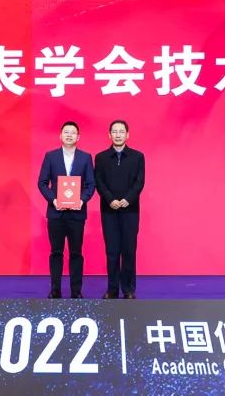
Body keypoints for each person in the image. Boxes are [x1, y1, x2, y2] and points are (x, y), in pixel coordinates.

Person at [37, 121, 95, 298]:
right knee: (56, 252)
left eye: (73, 133)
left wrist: (82, 201)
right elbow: (42, 183)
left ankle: (76, 291)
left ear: (78, 137)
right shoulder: (51, 156)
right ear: (60, 135)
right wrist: (53, 200)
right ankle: (55, 289)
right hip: (56, 212)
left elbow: (91, 184)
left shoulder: (85, 157)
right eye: (66, 132)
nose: (69, 135)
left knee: (76, 253)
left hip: (77, 213)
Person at [94, 120, 145, 299]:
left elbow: (139, 182)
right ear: (109, 135)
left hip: (130, 211)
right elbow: (99, 182)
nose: (118, 135)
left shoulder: (137, 157)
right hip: (109, 211)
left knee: (129, 251)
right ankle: (112, 289)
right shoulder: (101, 158)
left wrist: (126, 200)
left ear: (127, 135)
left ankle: (129, 289)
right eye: (114, 132)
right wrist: (110, 200)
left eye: (121, 131)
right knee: (112, 251)